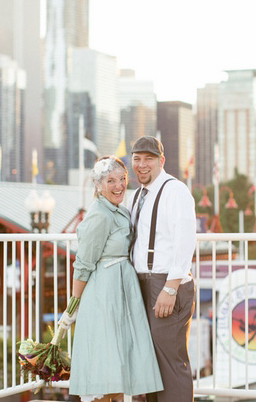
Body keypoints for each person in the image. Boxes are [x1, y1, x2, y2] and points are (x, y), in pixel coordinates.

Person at [58, 156, 163, 402]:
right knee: (106, 367)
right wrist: (73, 304)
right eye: (110, 181)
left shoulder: (118, 210)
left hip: (122, 292)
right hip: (104, 294)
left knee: (118, 366)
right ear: (98, 185)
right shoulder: (99, 216)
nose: (119, 186)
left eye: (122, 179)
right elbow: (83, 264)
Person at [129, 136, 197, 402]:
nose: (142, 165)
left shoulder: (175, 191)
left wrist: (170, 287)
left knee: (170, 361)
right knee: (151, 363)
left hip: (167, 283)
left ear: (161, 161)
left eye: (149, 159)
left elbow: (185, 241)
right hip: (143, 284)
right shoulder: (137, 196)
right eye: (137, 159)